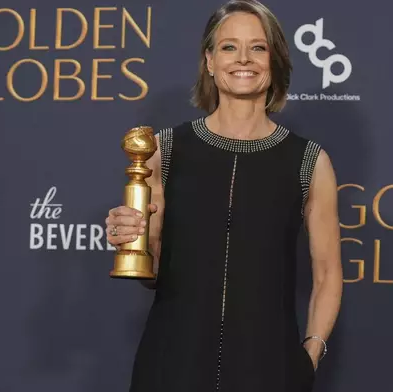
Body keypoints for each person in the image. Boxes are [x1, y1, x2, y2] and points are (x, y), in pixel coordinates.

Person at [105, 1, 343, 391]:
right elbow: (153, 273)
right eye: (229, 47)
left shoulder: (309, 161)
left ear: (275, 61)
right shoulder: (163, 150)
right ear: (210, 61)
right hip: (172, 364)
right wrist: (132, 239)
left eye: (258, 47)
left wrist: (309, 355)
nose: (243, 59)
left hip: (269, 369)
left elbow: (329, 274)